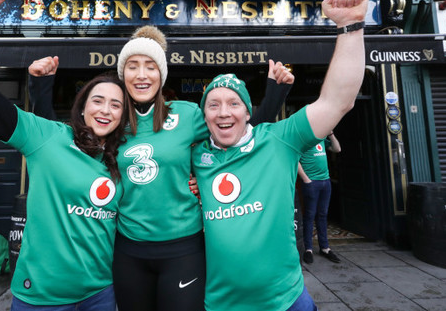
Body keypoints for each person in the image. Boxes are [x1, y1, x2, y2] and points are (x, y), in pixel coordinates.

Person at [28, 27, 294, 311]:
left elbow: (235, 132)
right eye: (133, 66)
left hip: (183, 249)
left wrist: (275, 94)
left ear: (161, 74)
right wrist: (40, 88)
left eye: (150, 66)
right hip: (128, 249)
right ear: (123, 74)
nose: (142, 75)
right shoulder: (112, 118)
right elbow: (62, 148)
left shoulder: (187, 114)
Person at [0, 0, 129, 310]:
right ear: (83, 106)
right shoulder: (49, 136)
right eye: (97, 100)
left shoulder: (121, 156)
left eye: (116, 105)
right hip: (42, 298)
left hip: (101, 294)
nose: (105, 110)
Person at [191, 0, 367, 310]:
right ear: (204, 116)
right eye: (213, 105)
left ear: (248, 112)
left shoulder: (278, 138)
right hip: (220, 304)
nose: (224, 112)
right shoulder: (194, 157)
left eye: (233, 103)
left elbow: (337, 101)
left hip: (287, 301)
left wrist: (350, 27)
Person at [299, 132, 342, 264]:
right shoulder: (303, 139)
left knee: (322, 215)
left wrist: (332, 135)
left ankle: (325, 248)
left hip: (325, 181)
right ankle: (308, 249)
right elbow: (295, 161)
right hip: (311, 182)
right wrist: (306, 180)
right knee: (310, 216)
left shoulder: (321, 138)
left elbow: (337, 149)